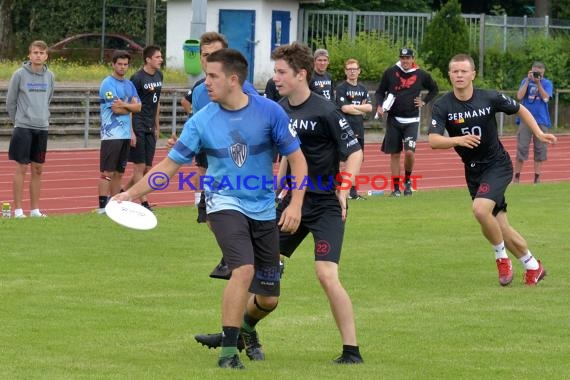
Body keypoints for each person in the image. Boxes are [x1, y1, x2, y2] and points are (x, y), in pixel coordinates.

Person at [114, 48, 308, 369]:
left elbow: (298, 161)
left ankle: (243, 329)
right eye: (206, 75)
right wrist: (130, 193)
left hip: (262, 208)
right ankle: (228, 354)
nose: (206, 83)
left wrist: (296, 202)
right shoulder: (201, 120)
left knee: (269, 297)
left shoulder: (271, 112)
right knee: (243, 269)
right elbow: (168, 166)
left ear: (234, 80)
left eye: (213, 76)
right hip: (222, 202)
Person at [195, 42, 365, 365]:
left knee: (326, 275)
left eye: (281, 72)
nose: (276, 77)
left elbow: (354, 152)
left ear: (301, 75)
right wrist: (277, 190)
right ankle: (239, 331)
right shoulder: (278, 109)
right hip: (289, 205)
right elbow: (289, 155)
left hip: (325, 204)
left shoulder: (325, 110)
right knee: (252, 267)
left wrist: (344, 189)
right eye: (275, 71)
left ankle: (351, 351)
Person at [428, 54, 557, 286]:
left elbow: (520, 109)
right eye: (455, 71)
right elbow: (434, 140)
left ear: (473, 74)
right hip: (473, 170)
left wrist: (538, 133)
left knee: (479, 210)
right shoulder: (443, 105)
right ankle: (533, 265)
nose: (459, 75)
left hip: (497, 165)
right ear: (449, 75)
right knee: (500, 227)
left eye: (463, 71)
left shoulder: (488, 97)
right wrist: (458, 140)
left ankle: (502, 259)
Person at [172, 31, 259, 280]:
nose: (209, 60)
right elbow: (202, 123)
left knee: (230, 218)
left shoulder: (246, 91)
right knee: (210, 218)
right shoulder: (201, 90)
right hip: (213, 167)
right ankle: (239, 257)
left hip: (240, 170)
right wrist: (186, 141)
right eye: (205, 55)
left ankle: (247, 259)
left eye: (215, 55)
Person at [375, 47, 438, 197]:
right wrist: (379, 105)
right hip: (394, 119)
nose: (405, 61)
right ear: (400, 59)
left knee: (409, 152)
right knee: (395, 154)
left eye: (408, 58)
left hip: (412, 120)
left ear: (412, 59)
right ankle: (396, 188)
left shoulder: (421, 74)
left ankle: (408, 181)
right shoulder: (390, 72)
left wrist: (424, 101)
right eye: (403, 58)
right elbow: (379, 91)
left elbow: (434, 89)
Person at [6, 40, 54, 218]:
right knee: (21, 168)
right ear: (29, 55)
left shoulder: (50, 76)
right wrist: (19, 120)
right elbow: (10, 102)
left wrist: (42, 116)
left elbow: (49, 98)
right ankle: (18, 210)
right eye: (35, 52)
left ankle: (35, 210)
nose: (38, 55)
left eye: (41, 53)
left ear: (46, 56)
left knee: (38, 169)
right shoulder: (19, 75)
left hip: (42, 127)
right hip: (23, 127)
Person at [96, 50, 141, 213]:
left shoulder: (129, 85)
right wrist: (129, 107)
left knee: (119, 173)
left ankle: (114, 206)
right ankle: (102, 207)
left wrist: (126, 106)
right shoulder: (107, 83)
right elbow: (116, 109)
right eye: (119, 64)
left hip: (125, 135)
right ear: (113, 64)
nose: (122, 67)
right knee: (107, 172)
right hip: (111, 135)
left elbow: (139, 107)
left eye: (125, 64)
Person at [124, 45, 163, 211]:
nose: (161, 59)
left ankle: (122, 193)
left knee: (147, 167)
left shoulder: (160, 75)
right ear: (148, 59)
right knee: (139, 166)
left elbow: (157, 102)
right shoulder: (137, 78)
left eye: (161, 57)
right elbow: (131, 105)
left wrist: (157, 124)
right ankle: (144, 202)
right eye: (157, 57)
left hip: (149, 124)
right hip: (138, 123)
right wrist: (131, 130)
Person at [335, 58, 372, 200]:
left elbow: (369, 108)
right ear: (345, 71)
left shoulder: (362, 89)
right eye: (349, 69)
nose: (352, 71)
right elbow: (345, 108)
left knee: (357, 160)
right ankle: (339, 189)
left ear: (359, 71)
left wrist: (356, 109)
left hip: (359, 128)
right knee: (340, 161)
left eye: (354, 69)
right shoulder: (341, 88)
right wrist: (361, 110)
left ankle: (354, 192)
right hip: (345, 129)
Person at [513, 61, 553, 184]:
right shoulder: (525, 81)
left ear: (543, 72)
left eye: (539, 73)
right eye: (535, 72)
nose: (536, 75)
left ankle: (537, 178)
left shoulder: (547, 83)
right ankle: (517, 178)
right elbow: (519, 97)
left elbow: (546, 98)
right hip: (526, 120)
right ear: (531, 71)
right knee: (522, 147)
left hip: (541, 120)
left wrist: (538, 84)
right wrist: (527, 81)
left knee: (540, 149)